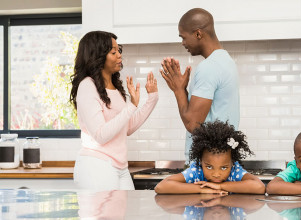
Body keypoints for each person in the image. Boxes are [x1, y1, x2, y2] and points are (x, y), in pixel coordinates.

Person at [70, 31, 158, 190]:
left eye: (119, 50)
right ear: (97, 56)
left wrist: (152, 98)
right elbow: (100, 135)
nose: (119, 56)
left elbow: (127, 128)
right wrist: (131, 106)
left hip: (120, 166)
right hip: (96, 165)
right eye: (113, 52)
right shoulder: (87, 86)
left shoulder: (115, 88)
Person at [160, 8, 240, 162]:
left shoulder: (209, 67)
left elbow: (193, 125)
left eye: (183, 37)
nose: (183, 43)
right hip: (220, 160)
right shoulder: (226, 61)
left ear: (198, 34)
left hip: (208, 162)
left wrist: (178, 90)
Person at [154, 120, 265, 194]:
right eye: (209, 167)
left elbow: (259, 187)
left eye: (224, 168)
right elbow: (161, 187)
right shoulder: (197, 171)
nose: (216, 174)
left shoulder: (234, 171)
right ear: (200, 161)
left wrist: (221, 186)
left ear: (232, 163)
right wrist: (203, 189)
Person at [155, 193, 265, 220]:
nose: (216, 215)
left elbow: (165, 205)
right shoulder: (235, 214)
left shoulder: (196, 213)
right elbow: (256, 205)